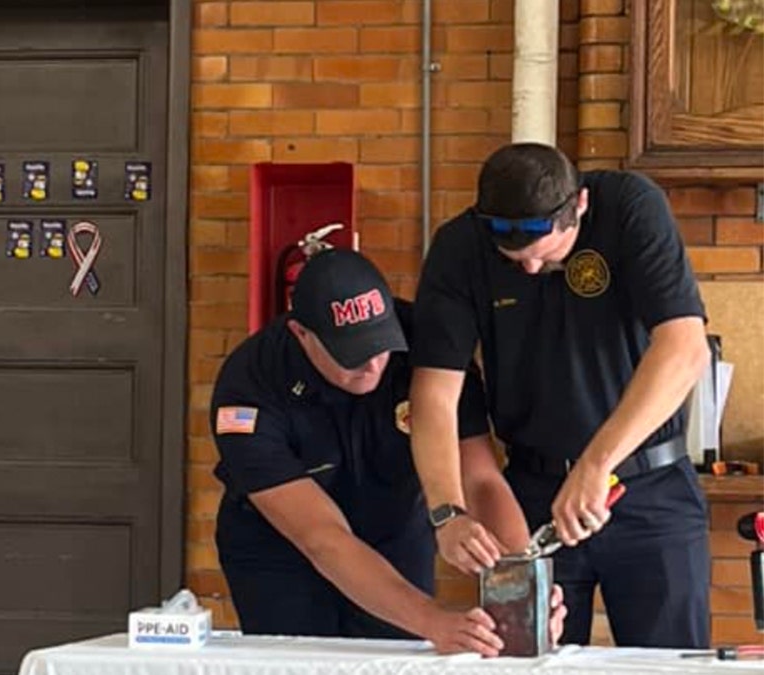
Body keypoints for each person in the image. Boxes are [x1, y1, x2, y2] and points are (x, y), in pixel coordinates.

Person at [409, 142, 712, 649]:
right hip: (532, 493)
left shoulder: (629, 207)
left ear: (581, 206)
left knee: (671, 660)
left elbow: (685, 348)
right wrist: (447, 511)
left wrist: (595, 466)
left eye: (544, 256)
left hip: (650, 489)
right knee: (526, 655)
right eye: (515, 260)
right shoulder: (460, 247)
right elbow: (435, 395)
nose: (528, 271)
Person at [211, 248, 562, 653]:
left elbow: (480, 478)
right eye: (351, 354)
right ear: (301, 334)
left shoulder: (429, 347)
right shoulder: (250, 384)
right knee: (302, 658)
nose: (372, 365)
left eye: (380, 345)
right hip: (279, 547)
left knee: (398, 655)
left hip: (395, 524)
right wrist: (434, 621)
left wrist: (525, 585)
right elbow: (321, 538)